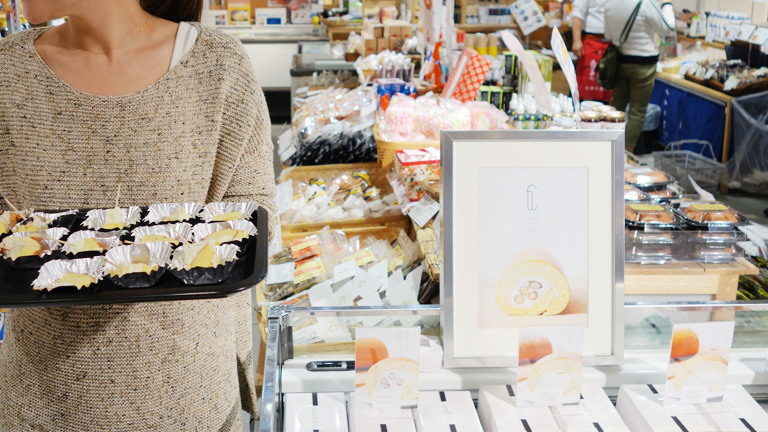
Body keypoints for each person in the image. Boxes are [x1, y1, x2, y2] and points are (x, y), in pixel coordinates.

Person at [0, 0, 276, 430]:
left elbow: (256, 223)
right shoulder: (7, 72)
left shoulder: (217, 66)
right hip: (40, 405)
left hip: (193, 403)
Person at [604, 0, 675, 151]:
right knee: (637, 111)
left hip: (621, 60)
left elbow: (608, 34)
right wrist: (667, 5)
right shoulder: (646, 3)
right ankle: (625, 155)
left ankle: (607, 148)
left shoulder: (610, 3)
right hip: (644, 63)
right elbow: (668, 28)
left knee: (616, 107)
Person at [571, 0, 612, 103]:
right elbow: (577, 14)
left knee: (607, 84)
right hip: (591, 41)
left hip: (611, 44)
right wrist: (576, 40)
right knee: (586, 81)